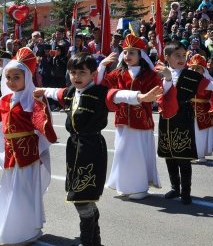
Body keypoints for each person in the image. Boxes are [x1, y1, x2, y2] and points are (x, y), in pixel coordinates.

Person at [35, 52, 161, 246]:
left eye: (81, 73)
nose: (76, 77)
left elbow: (118, 95)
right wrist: (37, 90)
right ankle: (95, 241)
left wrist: (140, 97)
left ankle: (88, 240)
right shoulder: (70, 92)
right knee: (82, 195)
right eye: (72, 72)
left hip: (92, 148)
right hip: (74, 148)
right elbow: (52, 92)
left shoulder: (101, 93)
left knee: (81, 197)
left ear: (93, 74)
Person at [0, 47, 57, 245]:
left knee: (23, 191)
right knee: (9, 188)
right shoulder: (6, 99)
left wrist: (41, 107)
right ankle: (9, 224)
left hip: (27, 154)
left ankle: (23, 230)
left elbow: (42, 124)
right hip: (10, 153)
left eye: (16, 77)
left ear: (27, 78)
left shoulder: (34, 99)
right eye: (8, 77)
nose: (11, 81)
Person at [157, 41, 213, 204]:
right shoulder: (160, 73)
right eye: (177, 55)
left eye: (184, 55)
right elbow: (163, 95)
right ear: (167, 57)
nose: (182, 58)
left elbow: (212, 85)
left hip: (183, 117)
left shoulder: (192, 75)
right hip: (167, 119)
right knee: (169, 155)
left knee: (183, 156)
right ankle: (174, 187)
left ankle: (185, 191)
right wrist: (167, 77)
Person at [97, 34, 165, 200]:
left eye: (132, 53)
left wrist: (166, 80)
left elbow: (159, 91)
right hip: (123, 121)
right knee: (122, 153)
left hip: (142, 120)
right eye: (125, 52)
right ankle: (124, 185)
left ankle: (140, 187)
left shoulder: (149, 75)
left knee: (138, 154)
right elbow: (100, 86)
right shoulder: (118, 73)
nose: (127, 56)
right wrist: (101, 66)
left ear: (140, 55)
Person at [186, 54, 213, 163]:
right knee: (190, 132)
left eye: (198, 68)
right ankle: (190, 153)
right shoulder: (186, 79)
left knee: (201, 134)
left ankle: (200, 154)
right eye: (193, 68)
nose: (195, 70)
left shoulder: (208, 81)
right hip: (189, 109)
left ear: (203, 69)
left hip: (203, 111)